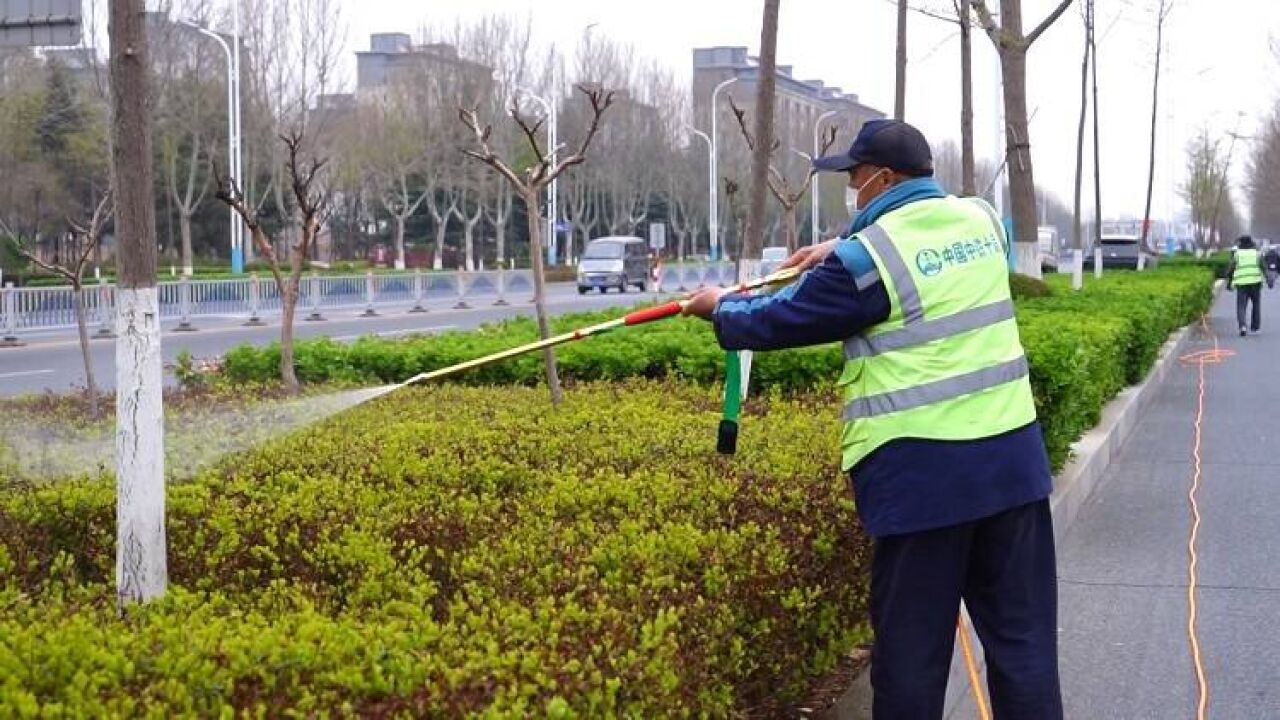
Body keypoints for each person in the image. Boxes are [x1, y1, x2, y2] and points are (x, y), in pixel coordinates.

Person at [683, 119, 1062, 719]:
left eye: (855, 178)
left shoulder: (868, 261)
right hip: (1014, 473)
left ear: (882, 179)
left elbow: (779, 319)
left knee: (911, 661)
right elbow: (928, 249)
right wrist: (840, 245)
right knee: (1025, 648)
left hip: (923, 485)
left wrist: (718, 310)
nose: (852, 189)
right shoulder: (983, 220)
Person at [1226, 235, 1265, 336]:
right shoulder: (1257, 253)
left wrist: (1229, 282)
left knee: (1241, 306)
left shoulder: (1237, 254)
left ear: (1240, 243)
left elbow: (1231, 269)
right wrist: (1269, 280)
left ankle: (1242, 326)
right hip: (1255, 282)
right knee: (1256, 305)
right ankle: (1255, 327)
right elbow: (1263, 267)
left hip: (1242, 284)